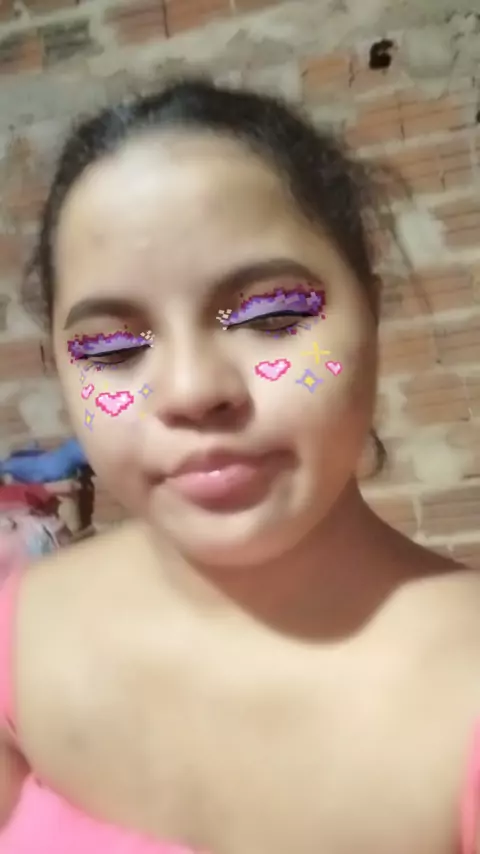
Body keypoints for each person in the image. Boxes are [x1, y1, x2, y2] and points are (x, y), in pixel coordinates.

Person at [1, 77, 479, 854]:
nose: (193, 390)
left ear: (371, 311)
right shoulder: (17, 638)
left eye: (274, 317)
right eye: (112, 349)